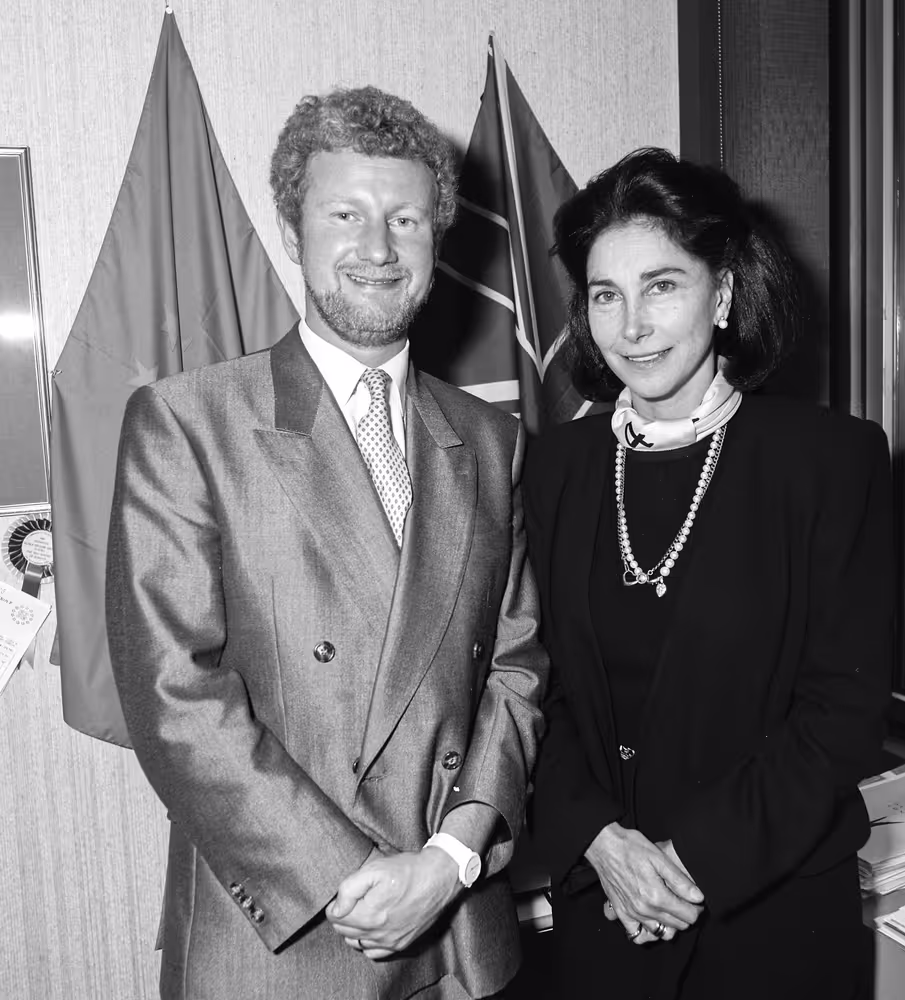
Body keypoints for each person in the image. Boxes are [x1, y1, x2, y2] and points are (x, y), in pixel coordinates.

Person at [105, 85, 547, 1000]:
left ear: (438, 239)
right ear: (293, 229)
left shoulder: (493, 440)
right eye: (345, 214)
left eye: (407, 219)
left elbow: (518, 667)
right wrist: (350, 880)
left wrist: (453, 860)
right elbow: (173, 693)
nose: (378, 249)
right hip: (284, 935)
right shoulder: (189, 422)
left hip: (461, 940)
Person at [523, 148, 892, 999]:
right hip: (604, 911)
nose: (632, 326)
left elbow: (844, 714)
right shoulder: (556, 467)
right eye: (606, 295)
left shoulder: (832, 461)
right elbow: (533, 685)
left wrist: (686, 864)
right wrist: (600, 842)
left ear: (723, 293)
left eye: (663, 286)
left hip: (772, 921)